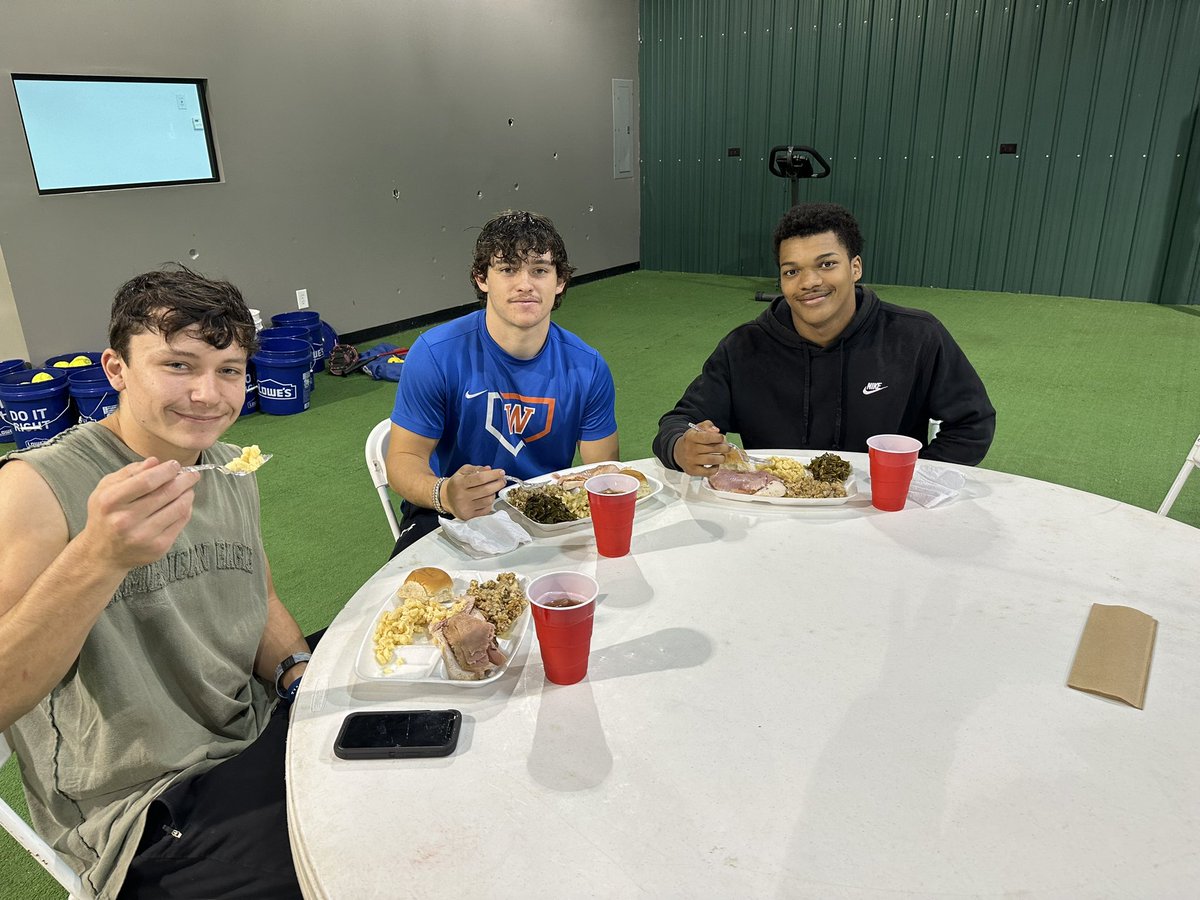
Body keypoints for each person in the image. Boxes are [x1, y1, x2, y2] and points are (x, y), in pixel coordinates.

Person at [0, 266, 313, 899]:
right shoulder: (36, 488)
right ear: (115, 369)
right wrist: (99, 556)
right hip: (146, 806)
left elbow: (259, 597)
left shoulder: (228, 468)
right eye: (178, 365)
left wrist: (298, 677)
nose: (207, 393)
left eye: (228, 370)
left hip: (252, 733)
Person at [653, 202, 996, 474]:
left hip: (881, 512)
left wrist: (915, 479)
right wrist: (682, 446)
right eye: (792, 271)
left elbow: (972, 422)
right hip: (779, 512)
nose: (809, 282)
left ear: (855, 267)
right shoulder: (744, 348)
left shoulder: (915, 336)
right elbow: (679, 423)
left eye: (827, 264)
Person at [386, 210, 619, 555]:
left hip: (544, 511)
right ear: (482, 278)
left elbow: (600, 475)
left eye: (540, 270)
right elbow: (404, 457)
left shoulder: (588, 367)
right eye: (508, 269)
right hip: (449, 508)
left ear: (560, 281)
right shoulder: (436, 353)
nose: (525, 284)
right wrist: (444, 493)